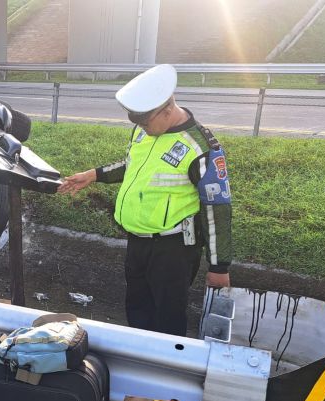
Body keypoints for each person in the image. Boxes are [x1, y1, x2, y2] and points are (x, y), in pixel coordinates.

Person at [58, 64, 233, 337]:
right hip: (137, 240)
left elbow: (217, 208)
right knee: (137, 306)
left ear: (167, 110)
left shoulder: (201, 147)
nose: (142, 128)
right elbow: (133, 165)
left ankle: (166, 367)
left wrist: (218, 266)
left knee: (168, 314)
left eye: (146, 122)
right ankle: (139, 359)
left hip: (174, 248)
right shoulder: (144, 130)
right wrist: (94, 175)